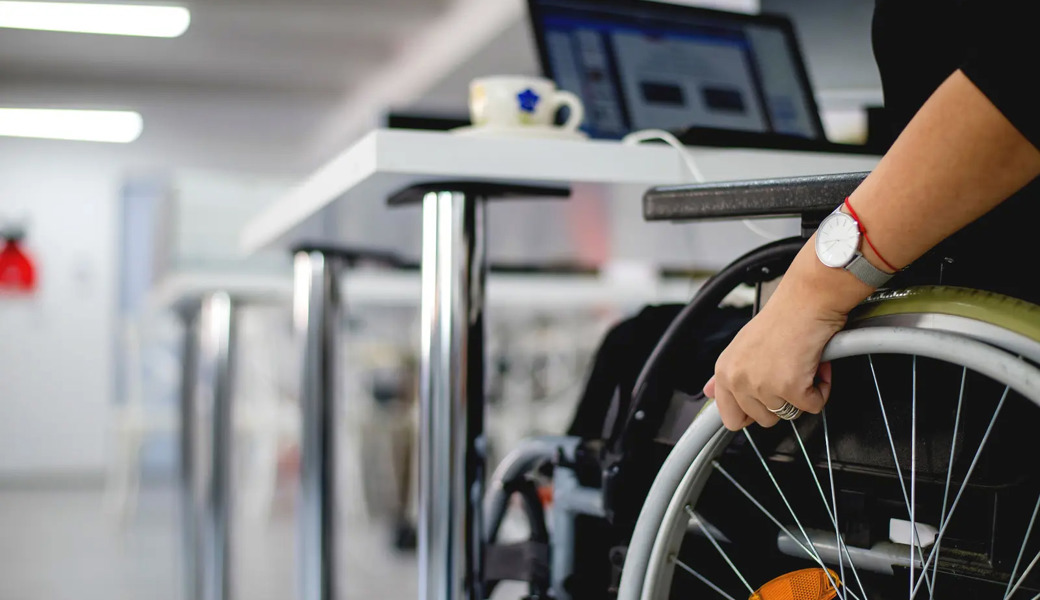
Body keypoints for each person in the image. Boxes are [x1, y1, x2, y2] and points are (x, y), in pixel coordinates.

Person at [705, 0, 1040, 431]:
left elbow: (1019, 74)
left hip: (980, 354)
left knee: (645, 346)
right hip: (973, 325)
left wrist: (810, 296)